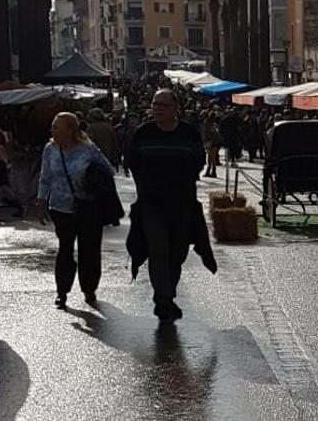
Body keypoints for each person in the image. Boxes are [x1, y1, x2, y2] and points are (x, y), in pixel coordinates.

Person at [126, 89, 207, 322]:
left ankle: (167, 292)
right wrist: (145, 186)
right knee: (158, 250)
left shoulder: (189, 134)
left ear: (175, 108)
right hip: (152, 204)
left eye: (163, 104)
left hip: (182, 204)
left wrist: (183, 179)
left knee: (178, 252)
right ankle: (163, 298)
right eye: (155, 103)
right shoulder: (144, 133)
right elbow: (133, 162)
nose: (157, 108)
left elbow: (198, 161)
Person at [36, 112, 114, 309]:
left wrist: (91, 180)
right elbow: (45, 177)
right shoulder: (50, 149)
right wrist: (41, 201)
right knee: (65, 249)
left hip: (88, 207)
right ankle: (62, 292)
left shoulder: (88, 150)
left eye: (57, 127)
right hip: (61, 208)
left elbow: (108, 170)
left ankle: (89, 288)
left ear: (71, 130)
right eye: (53, 126)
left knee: (89, 250)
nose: (53, 130)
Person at [202, 112, 222, 177]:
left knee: (211, 157)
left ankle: (212, 171)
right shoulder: (213, 124)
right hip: (212, 142)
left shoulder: (210, 124)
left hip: (211, 141)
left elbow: (208, 133)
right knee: (210, 157)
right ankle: (211, 171)